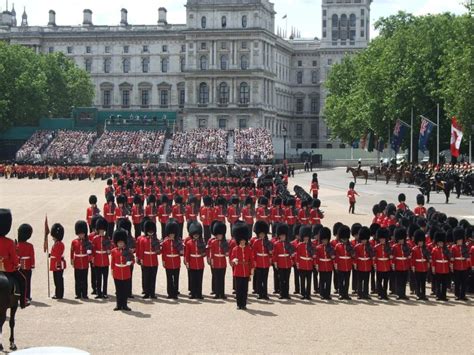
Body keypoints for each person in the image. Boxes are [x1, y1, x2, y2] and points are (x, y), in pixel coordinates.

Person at [0, 209, 28, 308]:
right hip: (8, 270)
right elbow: (14, 259)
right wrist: (17, 264)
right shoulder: (9, 242)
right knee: (23, 280)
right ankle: (23, 302)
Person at [230, 223, 254, 310]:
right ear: (239, 240)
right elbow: (232, 258)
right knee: (238, 289)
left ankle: (243, 304)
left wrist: (251, 273)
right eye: (241, 240)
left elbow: (251, 261)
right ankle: (238, 304)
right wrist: (234, 261)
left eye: (244, 240)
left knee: (245, 290)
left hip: (246, 271)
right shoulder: (235, 249)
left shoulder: (249, 249)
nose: (243, 241)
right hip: (238, 271)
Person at [136, 220, 160, 299]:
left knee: (153, 277)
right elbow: (141, 250)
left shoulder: (155, 240)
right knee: (146, 277)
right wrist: (141, 259)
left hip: (153, 260)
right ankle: (146, 292)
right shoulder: (143, 239)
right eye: (149, 231)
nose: (150, 233)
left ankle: (152, 293)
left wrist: (158, 249)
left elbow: (158, 251)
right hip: (145, 260)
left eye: (152, 231)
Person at [111, 229, 133, 311]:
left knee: (125, 290)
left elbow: (133, 260)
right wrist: (112, 270)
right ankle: (118, 305)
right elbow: (113, 262)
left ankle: (125, 305)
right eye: (119, 243)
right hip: (117, 272)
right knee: (118, 290)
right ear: (116, 243)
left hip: (126, 271)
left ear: (124, 243)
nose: (120, 244)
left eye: (122, 243)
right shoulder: (114, 251)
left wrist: (130, 262)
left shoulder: (128, 251)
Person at [70, 220, 92, 299]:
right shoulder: (74, 242)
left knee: (84, 279)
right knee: (77, 279)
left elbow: (90, 253)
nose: (81, 235)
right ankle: (78, 293)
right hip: (77, 262)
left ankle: (85, 293)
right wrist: (72, 260)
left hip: (85, 261)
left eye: (82, 233)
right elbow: (72, 251)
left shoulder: (88, 242)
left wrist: (89, 258)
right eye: (79, 233)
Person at [184, 222, 206, 299]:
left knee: (199, 279)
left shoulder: (202, 242)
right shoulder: (189, 243)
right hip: (192, 263)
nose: (196, 235)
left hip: (199, 263)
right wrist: (187, 262)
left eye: (197, 234)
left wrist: (204, 253)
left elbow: (204, 252)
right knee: (193, 279)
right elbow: (187, 254)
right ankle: (193, 294)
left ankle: (199, 294)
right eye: (194, 234)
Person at [161, 221, 182, 299]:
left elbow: (182, 252)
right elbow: (163, 253)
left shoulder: (178, 241)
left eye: (173, 234)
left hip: (176, 262)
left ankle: (175, 292)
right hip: (169, 262)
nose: (172, 235)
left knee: (176, 279)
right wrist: (163, 261)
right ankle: (170, 293)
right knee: (169, 279)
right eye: (171, 234)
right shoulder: (165, 242)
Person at [272, 223, 293, 300]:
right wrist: (275, 263)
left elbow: (291, 254)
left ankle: (286, 294)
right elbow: (275, 254)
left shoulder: (289, 244)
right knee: (281, 279)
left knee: (287, 280)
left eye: (284, 235)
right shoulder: (276, 244)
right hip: (280, 263)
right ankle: (281, 293)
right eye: (281, 235)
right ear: (279, 236)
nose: (283, 237)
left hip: (287, 263)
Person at [252, 221, 272, 300]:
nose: (262, 235)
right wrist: (255, 262)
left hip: (266, 262)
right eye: (261, 234)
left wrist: (270, 256)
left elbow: (270, 253)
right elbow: (253, 253)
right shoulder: (256, 242)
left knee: (265, 279)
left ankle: (265, 293)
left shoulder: (268, 242)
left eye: (263, 234)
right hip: (259, 262)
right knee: (259, 279)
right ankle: (260, 293)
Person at [208, 221, 228, 299]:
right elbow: (211, 253)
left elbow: (227, 252)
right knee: (216, 278)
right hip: (216, 262)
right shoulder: (213, 242)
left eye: (221, 235)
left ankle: (222, 293)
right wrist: (212, 262)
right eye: (219, 235)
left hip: (222, 262)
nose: (220, 236)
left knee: (222, 279)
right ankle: (217, 293)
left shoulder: (225, 243)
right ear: (216, 235)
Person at [91, 217, 111, 299]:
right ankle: (99, 293)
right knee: (98, 278)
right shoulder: (95, 239)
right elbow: (93, 249)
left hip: (105, 261)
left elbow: (110, 248)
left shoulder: (107, 239)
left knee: (105, 279)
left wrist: (109, 250)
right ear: (98, 230)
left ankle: (105, 292)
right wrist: (93, 259)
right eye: (100, 231)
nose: (102, 232)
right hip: (98, 260)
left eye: (103, 231)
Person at [16, 224, 35, 301]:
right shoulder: (30, 245)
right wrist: (32, 265)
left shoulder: (17, 245)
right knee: (27, 282)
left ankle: (20, 295)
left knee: (19, 281)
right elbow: (32, 256)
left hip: (19, 266)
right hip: (27, 266)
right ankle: (27, 296)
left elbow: (16, 256)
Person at [391, 227, 411, 300]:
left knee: (404, 281)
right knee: (398, 281)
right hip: (398, 266)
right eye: (400, 239)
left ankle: (403, 294)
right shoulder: (394, 247)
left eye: (402, 239)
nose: (401, 241)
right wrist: (393, 265)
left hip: (405, 266)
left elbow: (408, 256)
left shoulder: (407, 246)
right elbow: (393, 257)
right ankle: (399, 294)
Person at [315, 227, 334, 300]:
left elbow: (333, 257)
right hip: (322, 266)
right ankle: (322, 293)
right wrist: (317, 265)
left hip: (329, 266)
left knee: (328, 281)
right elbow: (317, 258)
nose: (324, 241)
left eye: (326, 240)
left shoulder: (331, 248)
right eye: (323, 240)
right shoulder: (318, 247)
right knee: (322, 280)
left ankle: (327, 294)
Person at [334, 225, 353, 300]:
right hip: (341, 265)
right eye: (343, 238)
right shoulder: (338, 246)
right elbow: (336, 257)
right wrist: (336, 265)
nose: (344, 240)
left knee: (347, 281)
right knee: (341, 281)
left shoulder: (350, 246)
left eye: (345, 238)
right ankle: (341, 294)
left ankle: (346, 294)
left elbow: (353, 256)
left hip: (348, 265)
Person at [354, 227, 373, 300]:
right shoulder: (357, 247)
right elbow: (355, 257)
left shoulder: (370, 247)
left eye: (365, 239)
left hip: (367, 265)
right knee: (360, 280)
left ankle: (366, 293)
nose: (364, 241)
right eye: (363, 239)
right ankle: (359, 294)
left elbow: (371, 257)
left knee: (366, 281)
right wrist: (355, 264)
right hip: (360, 265)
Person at [410, 229, 430, 301]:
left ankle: (423, 295)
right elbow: (412, 259)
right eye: (419, 241)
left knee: (423, 282)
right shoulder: (414, 249)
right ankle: (418, 294)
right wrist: (413, 267)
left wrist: (428, 264)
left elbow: (428, 258)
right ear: (417, 242)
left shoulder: (426, 249)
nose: (420, 243)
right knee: (418, 282)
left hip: (424, 267)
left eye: (421, 241)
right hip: (417, 267)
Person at [451, 227, 469, 301]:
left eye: (461, 240)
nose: (460, 241)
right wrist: (452, 266)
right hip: (457, 267)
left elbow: (467, 256)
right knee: (457, 282)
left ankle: (463, 295)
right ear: (456, 240)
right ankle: (457, 295)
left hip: (464, 267)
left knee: (464, 282)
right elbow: (452, 257)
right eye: (459, 240)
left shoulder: (465, 247)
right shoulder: (453, 247)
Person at [431, 232, 450, 301]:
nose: (441, 244)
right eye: (439, 242)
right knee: (438, 283)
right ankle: (438, 295)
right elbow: (433, 260)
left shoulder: (446, 249)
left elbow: (449, 258)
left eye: (442, 242)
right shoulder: (434, 250)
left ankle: (444, 296)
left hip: (445, 268)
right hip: (438, 268)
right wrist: (433, 268)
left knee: (444, 283)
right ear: (437, 243)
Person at [373, 228, 391, 300]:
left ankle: (385, 294)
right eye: (381, 239)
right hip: (379, 266)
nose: (382, 240)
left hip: (386, 266)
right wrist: (375, 265)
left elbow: (390, 257)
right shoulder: (376, 247)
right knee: (379, 281)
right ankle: (380, 293)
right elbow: (375, 258)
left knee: (386, 281)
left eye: (383, 239)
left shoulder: (388, 247)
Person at [49, 223, 66, 300]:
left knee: (58, 279)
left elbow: (58, 255)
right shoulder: (57, 243)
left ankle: (59, 294)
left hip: (58, 264)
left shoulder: (59, 244)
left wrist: (58, 265)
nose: (53, 238)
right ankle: (57, 293)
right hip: (55, 264)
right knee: (56, 279)